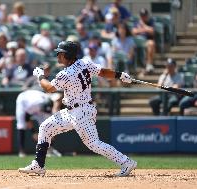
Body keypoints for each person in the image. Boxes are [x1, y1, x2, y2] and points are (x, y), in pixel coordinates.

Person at [18, 41, 137, 176]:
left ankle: (126, 162)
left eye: (60, 53)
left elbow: (49, 88)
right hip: (71, 111)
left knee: (94, 144)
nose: (58, 56)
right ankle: (38, 165)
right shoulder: (84, 63)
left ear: (66, 55)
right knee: (45, 127)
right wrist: (119, 75)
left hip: (81, 112)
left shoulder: (66, 73)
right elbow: (103, 72)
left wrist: (40, 76)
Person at [16, 89, 62, 158]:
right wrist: (33, 132)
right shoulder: (35, 104)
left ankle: (49, 149)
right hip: (23, 101)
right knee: (21, 125)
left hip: (40, 104)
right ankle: (21, 151)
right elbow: (27, 117)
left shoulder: (50, 102)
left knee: (48, 127)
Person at [132, 8, 155, 74]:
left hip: (146, 41)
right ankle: (133, 66)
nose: (143, 17)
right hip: (137, 42)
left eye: (144, 15)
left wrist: (143, 26)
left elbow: (152, 31)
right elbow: (133, 32)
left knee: (151, 43)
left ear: (147, 15)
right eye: (142, 15)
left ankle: (149, 64)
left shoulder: (150, 21)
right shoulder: (136, 22)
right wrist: (145, 29)